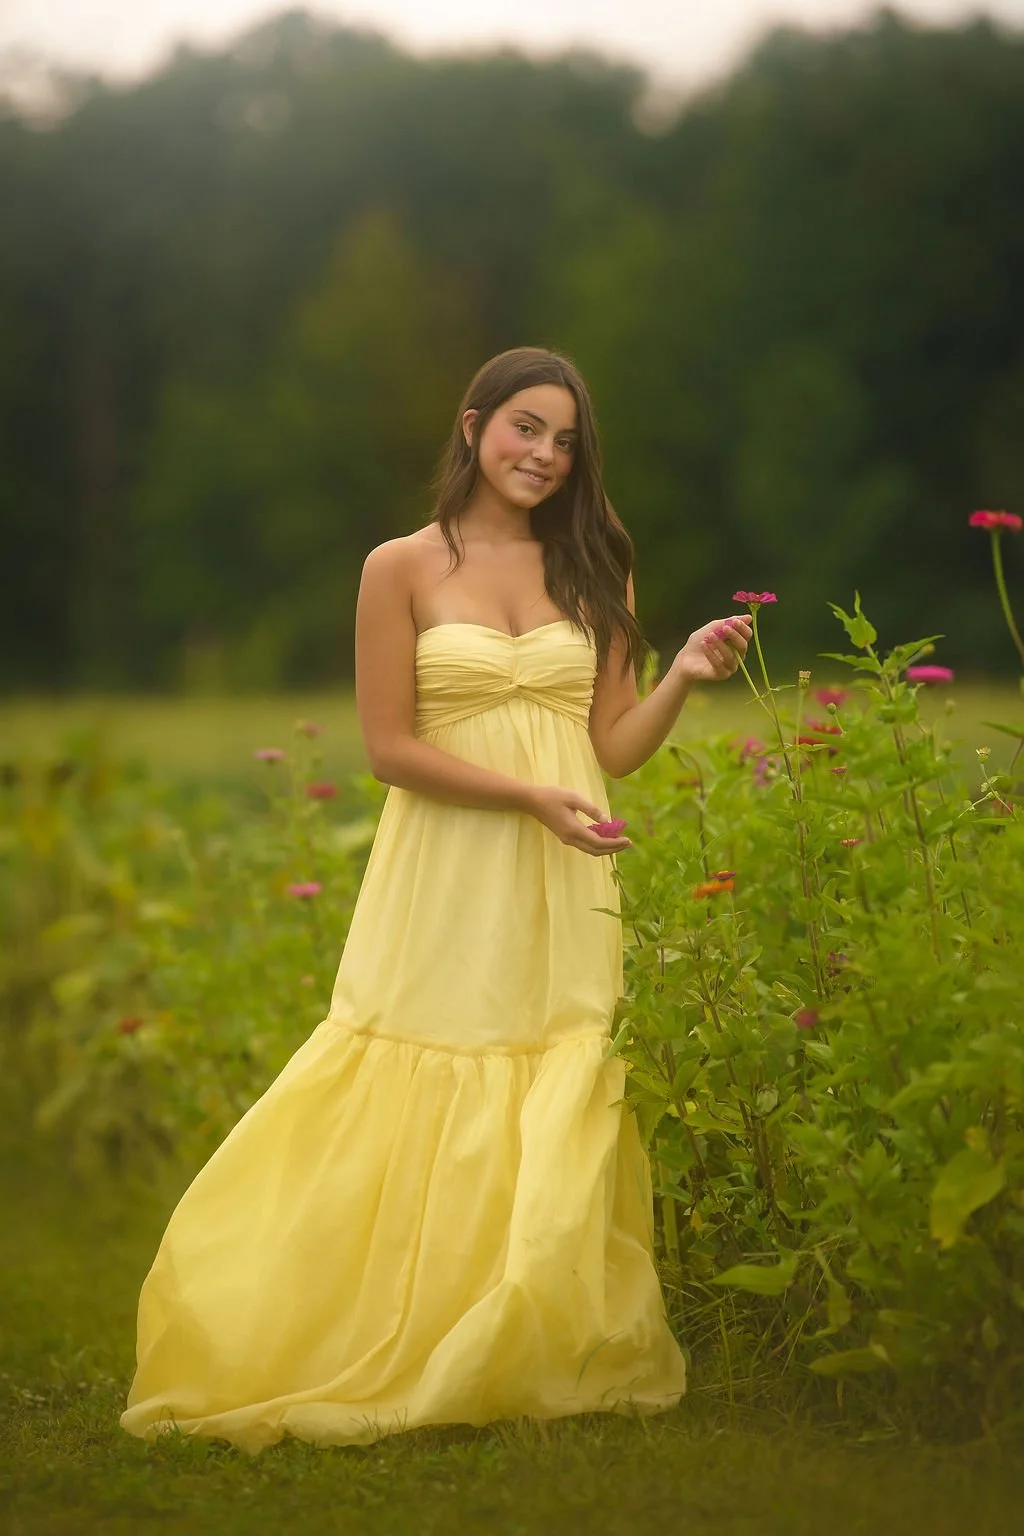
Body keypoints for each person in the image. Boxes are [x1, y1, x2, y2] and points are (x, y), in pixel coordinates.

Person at [120, 346, 752, 1454]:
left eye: (564, 441)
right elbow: (389, 750)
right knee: (422, 1053)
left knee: (549, 1059)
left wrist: (682, 678)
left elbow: (610, 746)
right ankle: (347, 1327)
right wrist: (526, 796)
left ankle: (513, 1337)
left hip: (561, 872)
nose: (544, 457)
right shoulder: (399, 567)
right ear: (471, 427)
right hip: (448, 865)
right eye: (524, 429)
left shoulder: (597, 559)